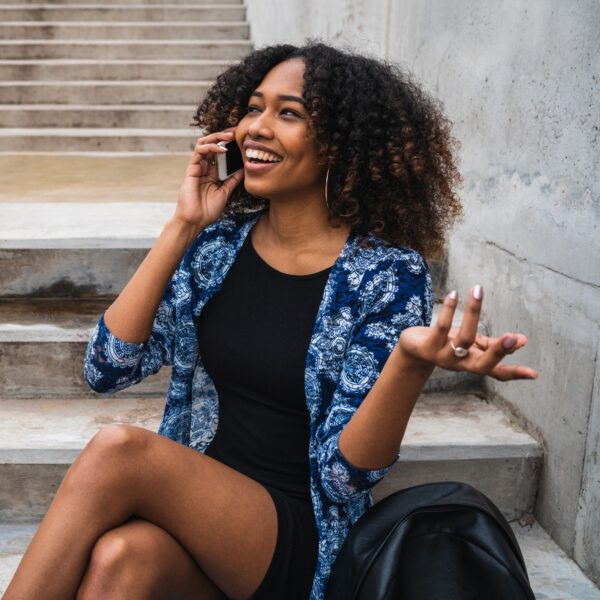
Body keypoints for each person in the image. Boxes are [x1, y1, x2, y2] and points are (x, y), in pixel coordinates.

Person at [4, 42, 538, 600]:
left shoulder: (384, 274)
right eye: (254, 108)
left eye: (289, 114)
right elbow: (106, 368)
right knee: (120, 560)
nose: (257, 127)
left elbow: (344, 477)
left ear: (341, 143)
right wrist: (182, 226)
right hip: (199, 519)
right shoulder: (218, 248)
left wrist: (407, 365)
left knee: (120, 452)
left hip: (296, 536)